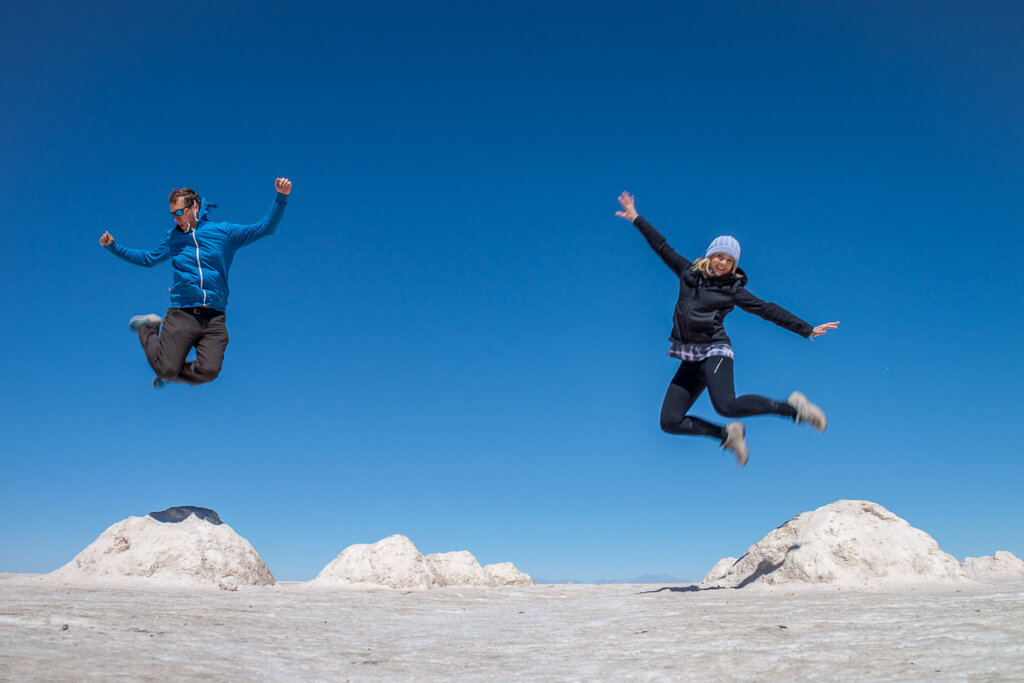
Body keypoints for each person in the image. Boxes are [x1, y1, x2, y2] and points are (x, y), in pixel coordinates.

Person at [615, 191, 838, 466]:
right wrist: (636, 217)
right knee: (669, 421)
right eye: (719, 256)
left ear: (734, 266)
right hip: (689, 356)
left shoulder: (733, 291)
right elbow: (662, 246)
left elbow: (766, 309)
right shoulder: (687, 273)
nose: (723, 263)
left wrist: (806, 328)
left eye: (729, 260)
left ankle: (795, 409)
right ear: (710, 256)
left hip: (715, 351)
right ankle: (727, 435)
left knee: (726, 405)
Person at [100, 178, 293, 388]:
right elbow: (148, 259)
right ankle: (148, 328)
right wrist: (113, 247)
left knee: (209, 372)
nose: (176, 219)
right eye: (172, 214)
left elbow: (265, 228)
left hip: (214, 317)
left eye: (179, 212)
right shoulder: (173, 239)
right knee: (165, 367)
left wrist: (281, 197)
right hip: (182, 313)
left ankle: (173, 372)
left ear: (194, 207)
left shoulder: (224, 233)